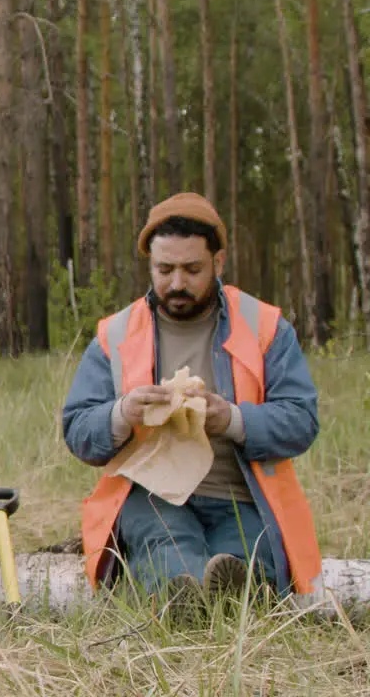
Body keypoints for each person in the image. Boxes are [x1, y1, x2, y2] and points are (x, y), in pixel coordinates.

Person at [63, 192, 320, 602]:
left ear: (218, 263)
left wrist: (234, 420)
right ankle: (180, 594)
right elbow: (77, 429)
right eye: (164, 269)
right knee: (168, 550)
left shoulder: (265, 326)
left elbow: (301, 420)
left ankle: (238, 591)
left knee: (244, 556)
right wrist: (122, 413)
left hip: (242, 495)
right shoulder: (115, 334)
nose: (177, 283)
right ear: (150, 265)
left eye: (192, 269)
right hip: (150, 495)